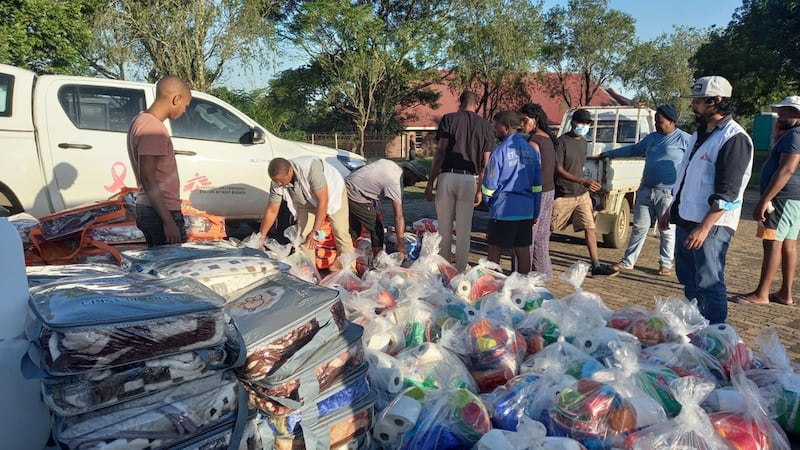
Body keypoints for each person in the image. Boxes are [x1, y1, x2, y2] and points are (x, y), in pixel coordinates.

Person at [661, 76, 753, 324]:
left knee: (709, 281)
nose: (694, 106)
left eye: (698, 101)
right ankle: (696, 325)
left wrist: (704, 227)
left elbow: (729, 193)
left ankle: (715, 335)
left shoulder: (734, 138)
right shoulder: (699, 135)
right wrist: (672, 208)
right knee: (689, 278)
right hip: (686, 218)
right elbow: (686, 176)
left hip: (710, 225)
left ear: (717, 101)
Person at [600, 105, 690, 275]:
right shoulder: (652, 138)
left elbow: (694, 163)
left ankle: (666, 264)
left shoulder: (685, 139)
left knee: (667, 229)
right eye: (656, 121)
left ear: (672, 121)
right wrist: (611, 154)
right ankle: (628, 261)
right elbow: (634, 150)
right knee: (639, 228)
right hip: (646, 190)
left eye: (660, 121)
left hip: (667, 193)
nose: (657, 124)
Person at [732, 96, 800, 306]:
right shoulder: (792, 134)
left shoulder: (794, 136)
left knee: (772, 243)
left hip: (781, 199)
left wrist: (764, 200)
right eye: (780, 111)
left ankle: (762, 294)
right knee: (788, 244)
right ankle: (784, 293)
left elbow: (787, 168)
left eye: (786, 112)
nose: (781, 115)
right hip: (793, 200)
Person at [425, 90, 495, 271]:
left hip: (448, 175)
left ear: (460, 102)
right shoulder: (486, 126)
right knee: (464, 228)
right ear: (476, 103)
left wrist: (430, 181)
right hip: (469, 179)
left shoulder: (449, 119)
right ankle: (461, 269)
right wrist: (480, 188)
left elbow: (441, 152)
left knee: (444, 227)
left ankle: (444, 268)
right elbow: (486, 162)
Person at [551, 108, 619, 277]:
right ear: (573, 122)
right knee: (549, 229)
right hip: (563, 194)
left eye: (587, 124)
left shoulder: (583, 142)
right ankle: (535, 258)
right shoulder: (561, 142)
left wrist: (585, 184)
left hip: (581, 195)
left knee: (589, 227)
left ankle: (596, 265)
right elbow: (558, 169)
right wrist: (582, 181)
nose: (584, 126)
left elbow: (580, 168)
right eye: (581, 123)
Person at [127, 75, 192, 247]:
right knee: (174, 268)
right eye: (185, 105)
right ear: (176, 99)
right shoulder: (153, 128)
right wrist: (168, 221)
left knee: (159, 266)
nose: (184, 110)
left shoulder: (140, 120)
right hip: (161, 211)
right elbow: (148, 177)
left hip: (150, 208)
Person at [258, 156, 354, 266]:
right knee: (304, 236)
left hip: (332, 193)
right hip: (305, 200)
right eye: (275, 181)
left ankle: (350, 271)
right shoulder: (277, 182)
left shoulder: (310, 168)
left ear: (290, 171)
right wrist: (261, 237)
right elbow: (272, 210)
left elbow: (323, 201)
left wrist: (316, 231)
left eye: (281, 180)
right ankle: (310, 273)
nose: (279, 184)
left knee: (340, 233)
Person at [482, 111, 542, 273]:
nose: (495, 131)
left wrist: (490, 203)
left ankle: (492, 288)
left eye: (497, 127)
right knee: (522, 251)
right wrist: (535, 211)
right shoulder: (532, 151)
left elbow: (489, 186)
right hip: (526, 210)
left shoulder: (499, 152)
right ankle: (522, 288)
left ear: (506, 127)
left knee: (495, 252)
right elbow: (537, 186)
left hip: (503, 210)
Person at [345, 159, 428, 258]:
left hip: (346, 186)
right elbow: (398, 216)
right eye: (415, 180)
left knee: (354, 229)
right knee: (377, 229)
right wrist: (401, 246)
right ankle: (377, 263)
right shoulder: (396, 182)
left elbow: (362, 169)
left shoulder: (390, 164)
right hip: (355, 193)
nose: (413, 184)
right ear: (410, 173)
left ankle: (343, 257)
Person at [518, 103, 558, 279]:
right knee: (541, 237)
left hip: (535, 193)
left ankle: (522, 275)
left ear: (536, 120)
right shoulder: (548, 139)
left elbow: (530, 171)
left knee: (526, 238)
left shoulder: (533, 142)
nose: (522, 124)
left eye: (525, 120)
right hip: (549, 191)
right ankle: (543, 275)